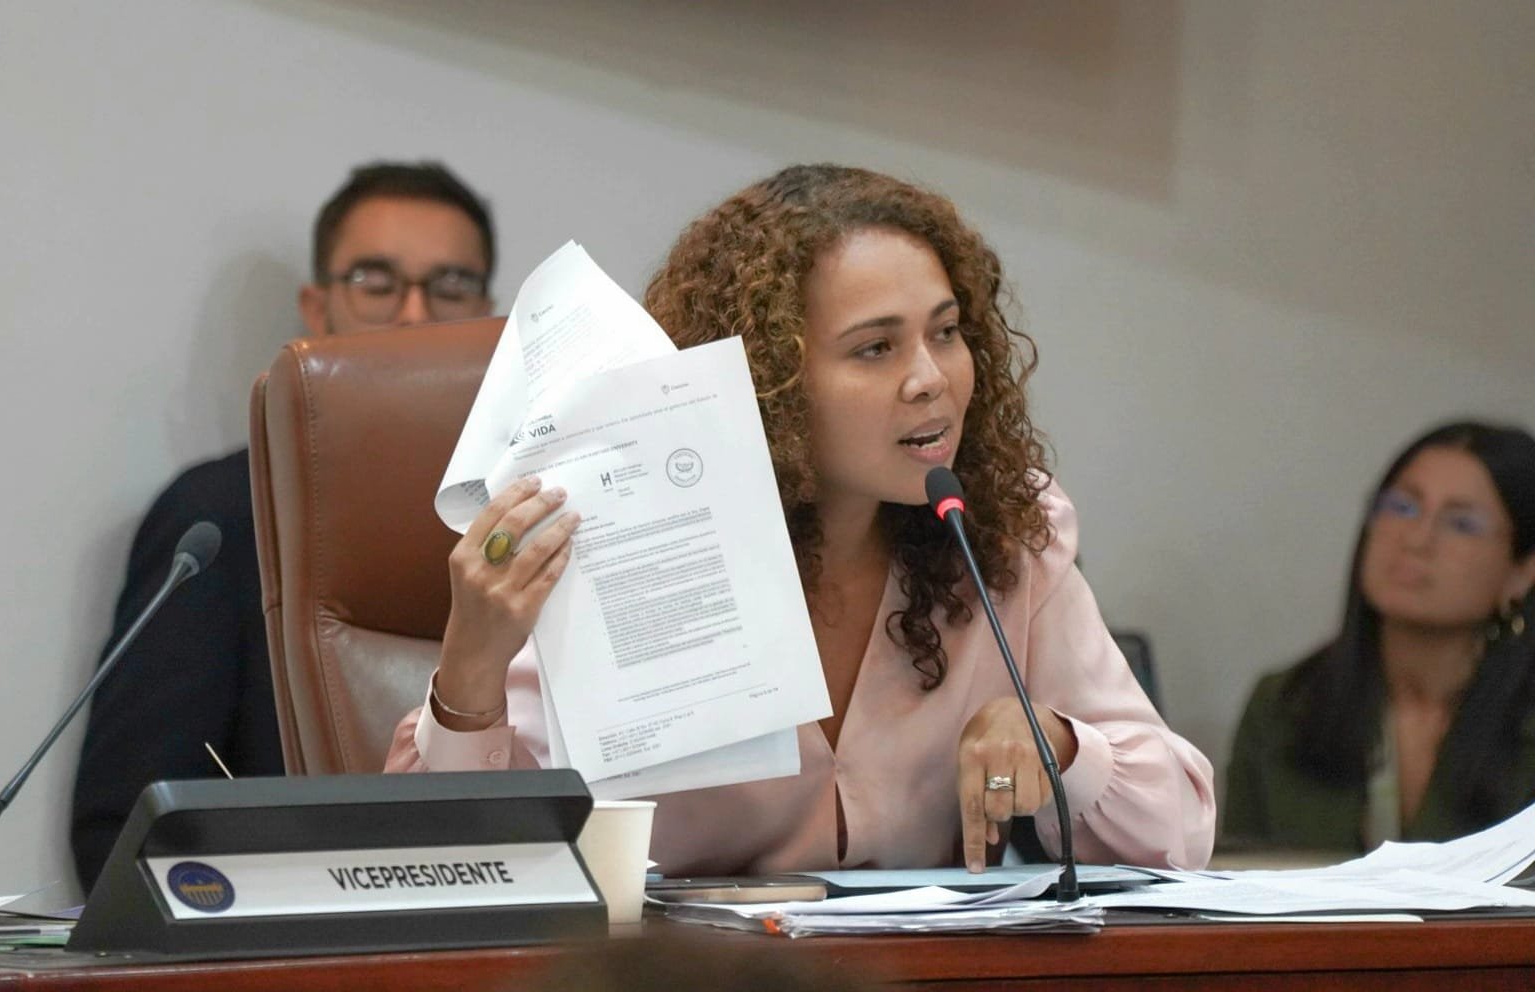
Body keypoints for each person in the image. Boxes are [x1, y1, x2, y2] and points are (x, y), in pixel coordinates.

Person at [385, 163, 1214, 875]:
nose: (931, 379)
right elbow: (445, 860)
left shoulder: (996, 531)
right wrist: (470, 668)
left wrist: (1059, 747)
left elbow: (1183, 832)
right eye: (875, 349)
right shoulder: (633, 532)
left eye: (948, 333)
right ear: (770, 378)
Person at [70, 161, 497, 892]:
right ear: (317, 307)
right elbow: (122, 826)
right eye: (376, 283)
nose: (416, 316)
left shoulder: (534, 515)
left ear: (492, 313)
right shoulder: (220, 517)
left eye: (451, 287)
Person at [1225, 421, 1535, 853]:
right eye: (1403, 507)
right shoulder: (1284, 704)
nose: (1418, 539)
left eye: (1461, 523)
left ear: (1522, 571)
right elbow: (1239, 888)